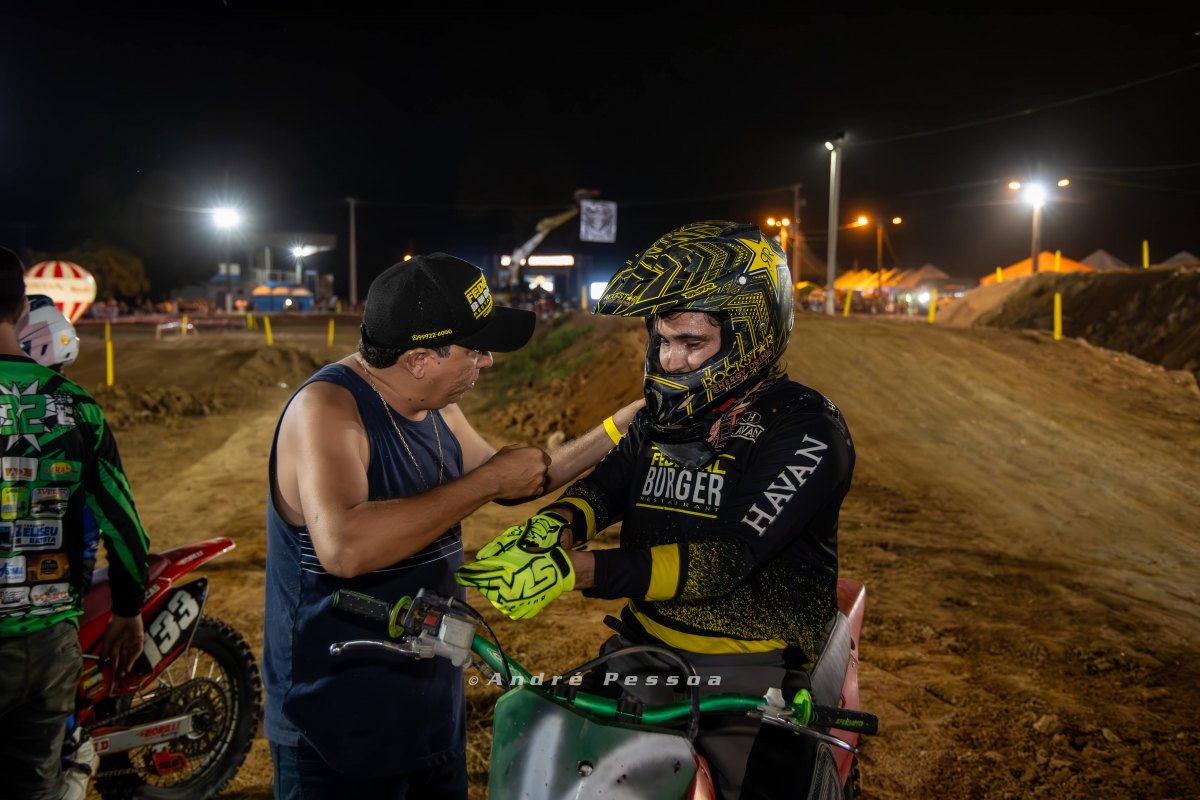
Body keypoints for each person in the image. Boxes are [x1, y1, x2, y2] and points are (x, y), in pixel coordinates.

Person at [457, 221, 856, 799]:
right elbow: (608, 488)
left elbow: (727, 558)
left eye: (691, 343)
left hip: (755, 671)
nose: (671, 361)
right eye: (663, 341)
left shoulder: (806, 427)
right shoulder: (661, 415)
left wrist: (577, 571)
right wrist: (552, 527)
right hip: (643, 649)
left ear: (750, 333)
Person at [263, 252, 642, 799]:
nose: (487, 361)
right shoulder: (328, 409)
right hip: (335, 722)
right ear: (420, 359)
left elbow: (518, 479)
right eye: (475, 350)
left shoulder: (435, 407)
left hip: (429, 705)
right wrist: (486, 481)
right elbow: (344, 547)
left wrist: (621, 426)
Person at [0, 247, 150, 800]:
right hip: (47, 642)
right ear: (22, 308)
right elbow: (125, 527)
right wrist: (129, 608)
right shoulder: (78, 407)